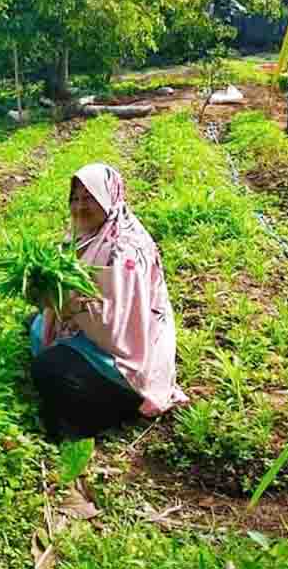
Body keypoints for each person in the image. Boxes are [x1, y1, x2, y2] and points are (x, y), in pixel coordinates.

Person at [29, 164, 188, 440]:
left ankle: (112, 413)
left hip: (127, 358)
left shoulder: (124, 250)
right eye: (75, 199)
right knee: (36, 323)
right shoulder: (87, 237)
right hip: (98, 331)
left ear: (109, 197)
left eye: (89, 198)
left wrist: (67, 306)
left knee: (48, 368)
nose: (80, 207)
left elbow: (119, 328)